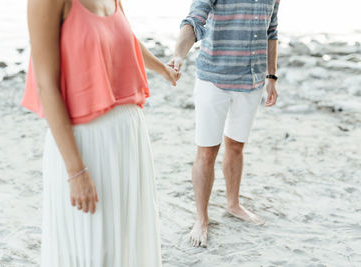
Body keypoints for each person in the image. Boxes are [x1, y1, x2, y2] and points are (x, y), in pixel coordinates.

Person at [22, 0, 179, 265]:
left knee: (128, 241)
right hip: (85, 144)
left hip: (129, 137)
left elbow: (123, 35)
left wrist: (161, 68)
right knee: (93, 246)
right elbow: (46, 85)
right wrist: (75, 171)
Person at [169, 0, 280, 247]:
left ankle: (233, 204)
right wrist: (178, 55)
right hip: (214, 81)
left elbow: (271, 30)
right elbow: (193, 21)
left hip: (252, 82)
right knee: (207, 152)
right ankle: (201, 218)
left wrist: (271, 76)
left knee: (236, 146)